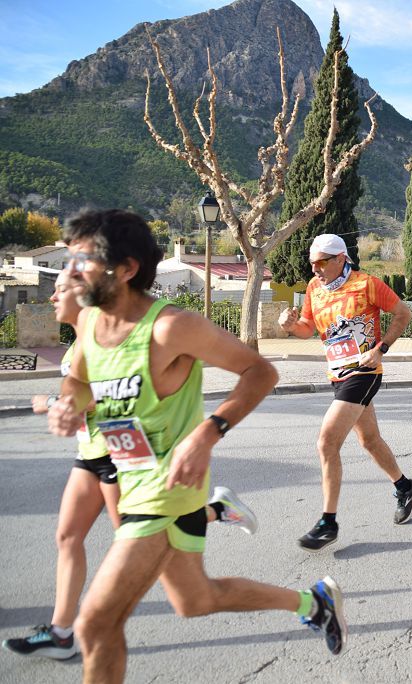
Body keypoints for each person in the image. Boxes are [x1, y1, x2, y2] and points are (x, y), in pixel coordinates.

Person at [46, 210, 345, 682]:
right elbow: (79, 383)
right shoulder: (91, 324)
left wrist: (207, 434)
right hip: (131, 479)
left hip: (167, 492)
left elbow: (260, 372)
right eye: (69, 260)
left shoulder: (170, 328)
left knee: (96, 623)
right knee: (196, 600)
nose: (69, 273)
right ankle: (314, 603)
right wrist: (67, 405)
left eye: (81, 260)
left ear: (125, 269)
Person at [3, 272, 257, 662]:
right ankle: (61, 631)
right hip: (89, 451)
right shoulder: (80, 343)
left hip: (118, 454)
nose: (52, 296)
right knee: (68, 536)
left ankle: (216, 511)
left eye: (61, 290)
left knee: (135, 538)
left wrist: (51, 405)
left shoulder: (113, 334)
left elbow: (101, 399)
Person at [279, 234, 412, 551]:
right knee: (368, 440)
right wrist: (290, 325)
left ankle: (328, 522)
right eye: (312, 263)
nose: (315, 269)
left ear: (341, 258)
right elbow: (306, 328)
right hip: (337, 375)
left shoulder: (366, 284)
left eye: (322, 262)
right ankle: (405, 486)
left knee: (327, 441)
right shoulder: (314, 290)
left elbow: (403, 314)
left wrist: (381, 349)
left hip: (364, 372)